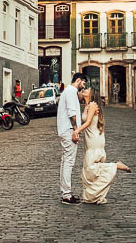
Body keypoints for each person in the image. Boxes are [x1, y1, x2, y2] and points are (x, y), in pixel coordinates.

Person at [74, 86, 131, 204]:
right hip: (90, 138)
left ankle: (115, 166)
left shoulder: (93, 105)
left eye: (87, 89)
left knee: (91, 167)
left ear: (92, 93)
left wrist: (77, 131)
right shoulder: (87, 106)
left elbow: (89, 122)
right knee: (89, 170)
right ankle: (93, 196)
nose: (84, 90)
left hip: (95, 138)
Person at [57, 72, 86, 205]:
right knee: (69, 162)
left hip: (66, 130)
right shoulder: (71, 92)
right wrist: (76, 130)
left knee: (65, 161)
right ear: (78, 80)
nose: (83, 87)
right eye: (83, 83)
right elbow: (71, 113)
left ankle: (65, 191)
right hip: (69, 130)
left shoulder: (68, 92)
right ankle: (67, 195)